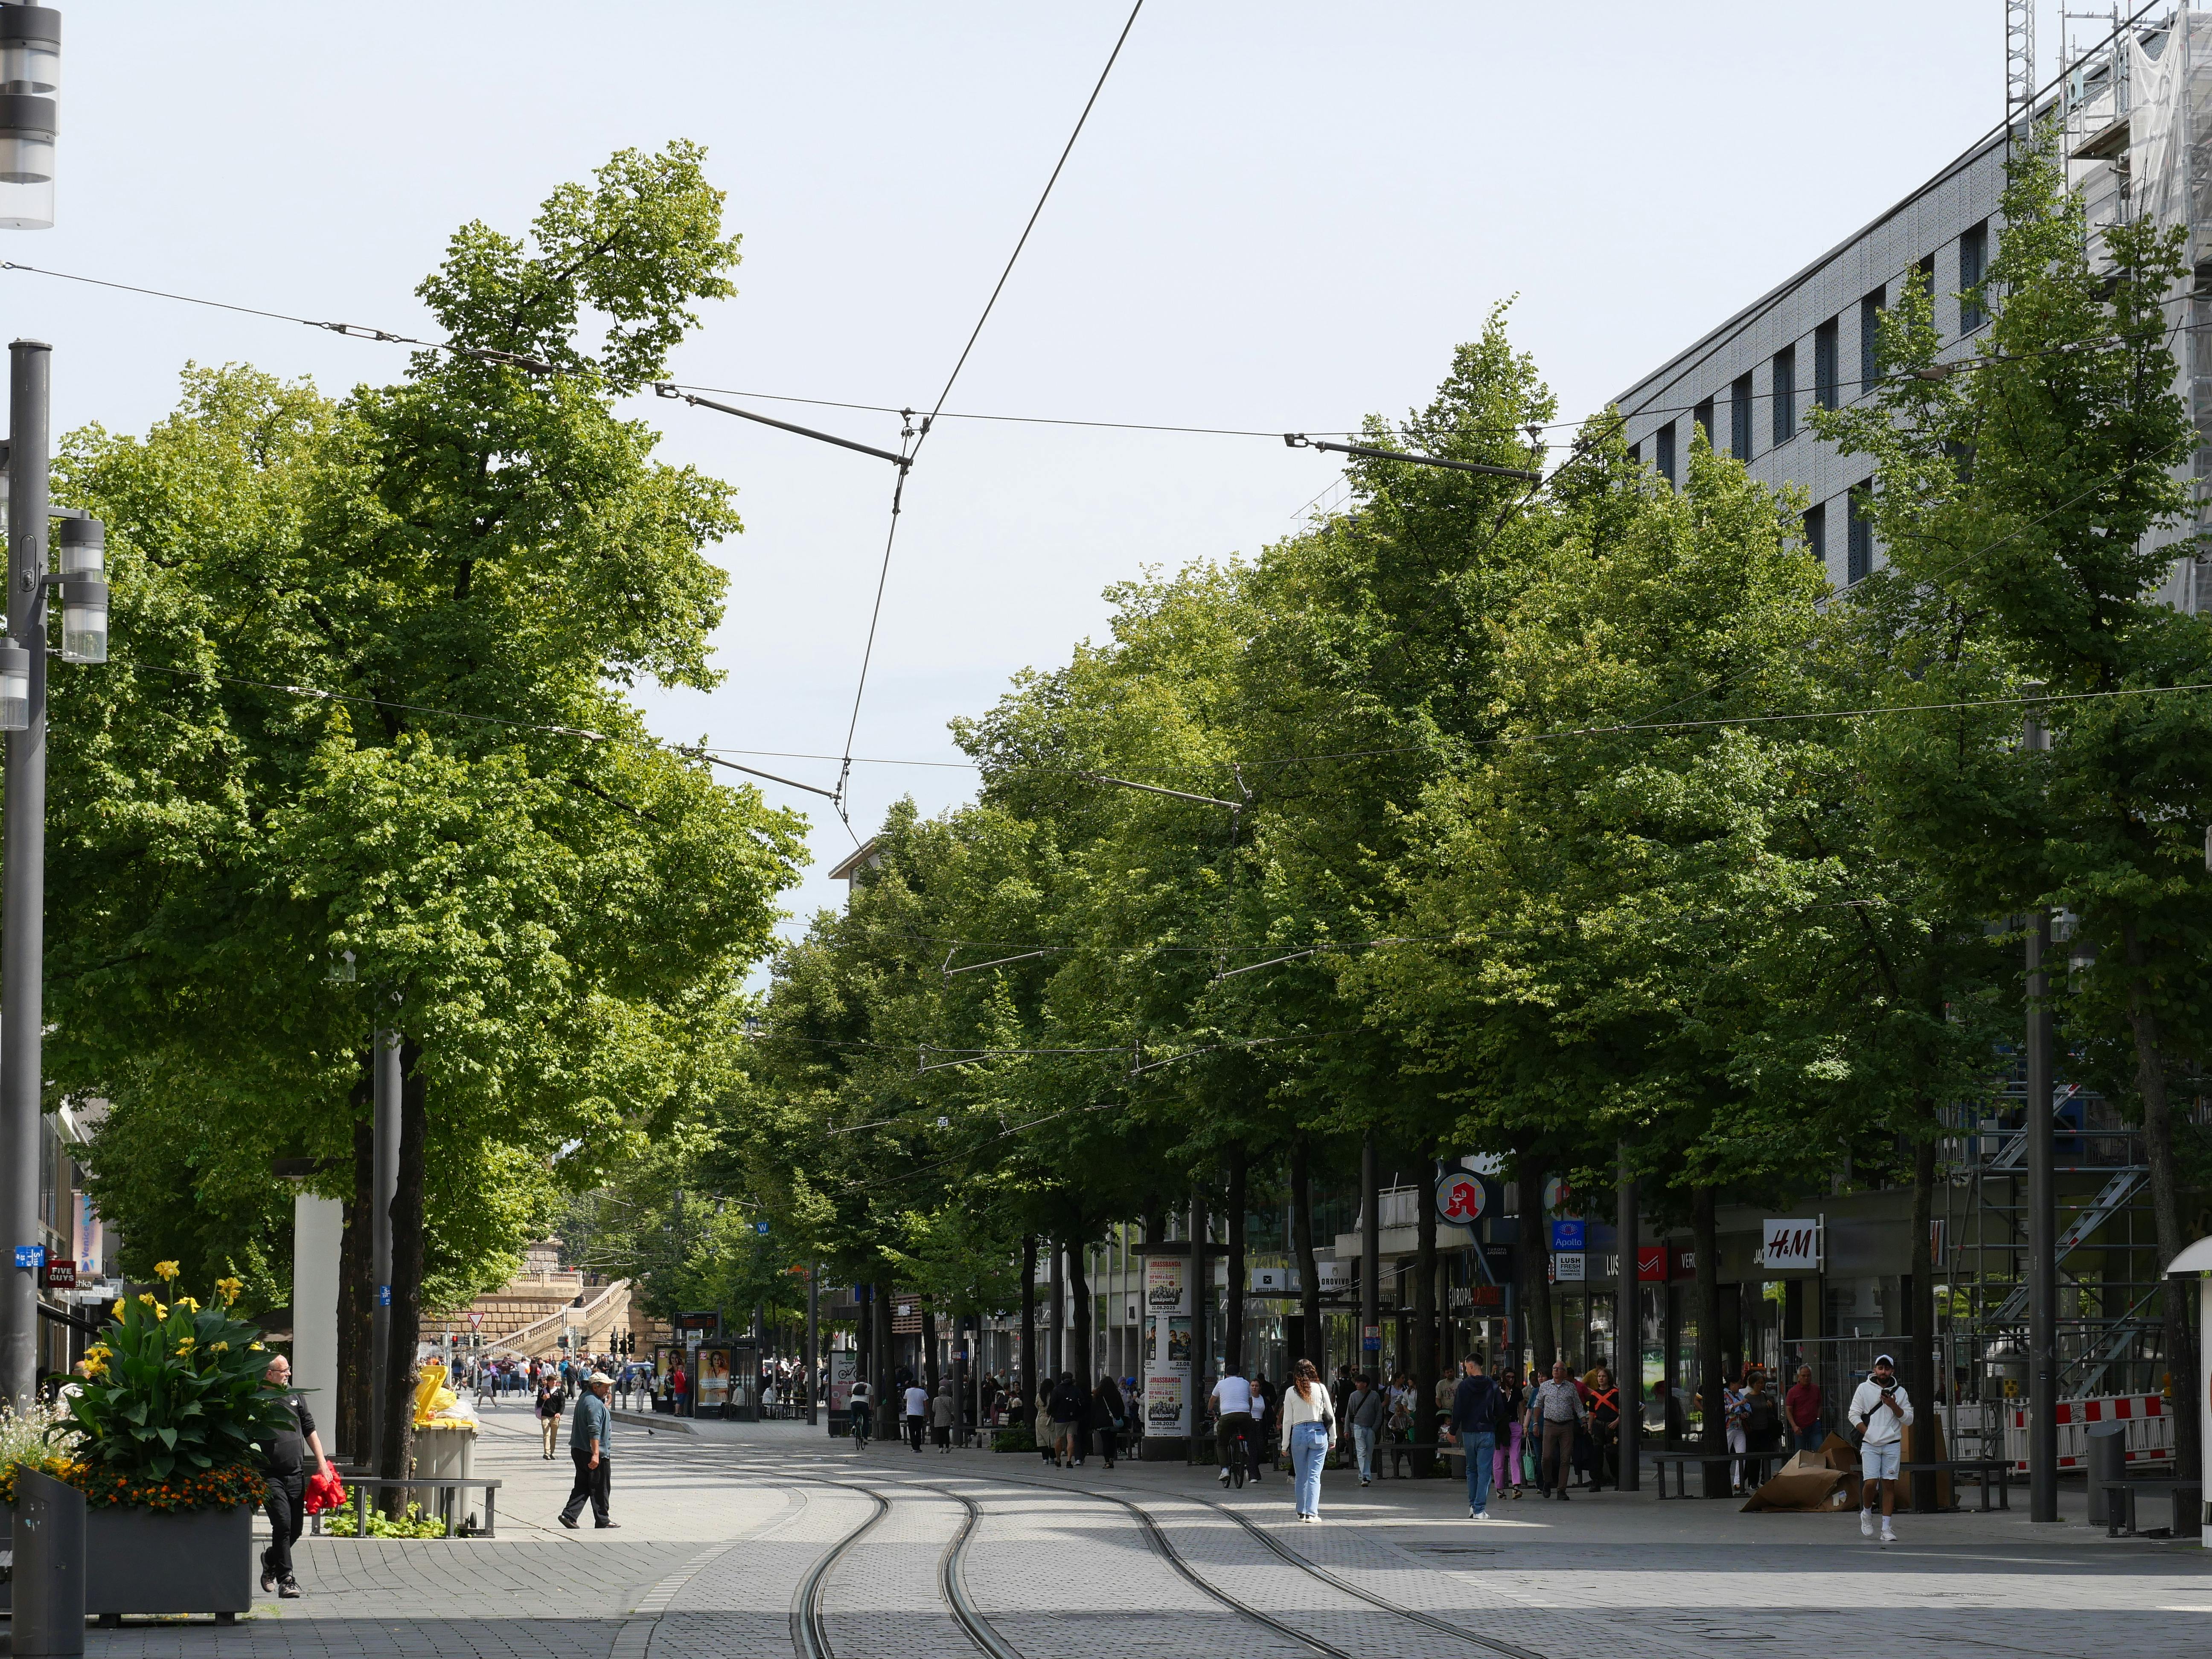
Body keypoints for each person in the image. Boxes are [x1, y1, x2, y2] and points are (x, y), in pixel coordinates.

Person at [256, 1353, 328, 1600]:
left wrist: (322, 1465)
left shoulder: (297, 1396)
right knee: (283, 1524)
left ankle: (270, 1559)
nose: (289, 1374)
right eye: (284, 1370)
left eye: (289, 1370)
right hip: (269, 1475)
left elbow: (310, 1430)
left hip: (296, 1473)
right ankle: (287, 1580)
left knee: (296, 1529)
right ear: (269, 1375)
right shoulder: (257, 1399)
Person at [1847, 1353, 1913, 1544]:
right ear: (1874, 1369)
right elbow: (1854, 1414)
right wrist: (1866, 1432)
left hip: (1892, 1443)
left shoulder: (1900, 1392)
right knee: (1870, 1483)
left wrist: (1894, 1406)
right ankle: (1866, 1512)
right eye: (1880, 1368)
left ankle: (1886, 1528)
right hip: (1870, 1443)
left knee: (1889, 1484)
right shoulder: (1864, 1389)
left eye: (1887, 1369)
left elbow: (1908, 1418)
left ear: (1892, 1370)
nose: (1883, 1372)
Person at [558, 1370, 617, 1530]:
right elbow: (594, 1430)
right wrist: (596, 1454)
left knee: (583, 1485)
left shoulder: (586, 1398)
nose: (608, 1390)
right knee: (601, 1487)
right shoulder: (594, 1404)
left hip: (579, 1450)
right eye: (605, 1387)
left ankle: (569, 1515)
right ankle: (603, 1520)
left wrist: (606, 1403)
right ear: (595, 1386)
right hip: (592, 1452)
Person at [1281, 1357, 1338, 1521]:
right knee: (1314, 1475)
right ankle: (1312, 1513)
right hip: (1318, 1432)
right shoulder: (1321, 1389)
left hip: (1298, 1433)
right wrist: (1333, 1437)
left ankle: (1301, 1511)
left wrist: (1285, 1445)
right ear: (1313, 1371)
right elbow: (1331, 1414)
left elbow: (1287, 1420)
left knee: (1300, 1475)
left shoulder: (1291, 1391)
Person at [1446, 1355, 1499, 1520]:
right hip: (1487, 1431)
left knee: (1472, 1470)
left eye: (1465, 1366)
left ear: (1470, 1366)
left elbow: (1458, 1410)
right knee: (1484, 1471)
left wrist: (1453, 1431)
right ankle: (1479, 1509)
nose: (1465, 1369)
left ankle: (1472, 1506)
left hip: (1469, 1432)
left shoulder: (1464, 1386)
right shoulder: (1492, 1385)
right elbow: (1499, 1410)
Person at [1529, 1360, 1586, 1501]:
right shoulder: (1546, 1386)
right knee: (1546, 1457)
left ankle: (1562, 1490)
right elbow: (1538, 1405)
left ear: (1565, 1373)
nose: (1556, 1371)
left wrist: (1584, 1421)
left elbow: (1578, 1406)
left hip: (1567, 1426)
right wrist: (1535, 1423)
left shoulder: (1571, 1388)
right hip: (1550, 1425)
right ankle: (1547, 1482)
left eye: (1560, 1369)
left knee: (1565, 1459)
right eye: (1554, 1368)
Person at [1212, 1362, 1258, 1486]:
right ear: (1239, 1374)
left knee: (1222, 1444)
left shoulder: (1221, 1384)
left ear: (1226, 1374)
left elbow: (1213, 1399)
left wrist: (1210, 1410)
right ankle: (1245, 1445)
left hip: (1227, 1416)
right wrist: (1248, 1412)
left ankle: (1225, 1470)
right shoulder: (1245, 1383)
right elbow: (1250, 1401)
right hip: (1244, 1415)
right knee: (1248, 1433)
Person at [1491, 1368, 1526, 1499]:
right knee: (1498, 1459)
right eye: (1508, 1377)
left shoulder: (1517, 1392)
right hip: (1500, 1427)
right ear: (1503, 1377)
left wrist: (1522, 1425)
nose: (1511, 1380)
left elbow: (1521, 1409)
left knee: (1515, 1456)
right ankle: (1500, 1489)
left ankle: (1516, 1486)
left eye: (1513, 1377)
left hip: (1513, 1425)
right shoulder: (1496, 1391)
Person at [1347, 1373, 1386, 1487]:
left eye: (1358, 1382)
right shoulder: (1353, 1396)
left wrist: (1374, 1429)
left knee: (1368, 1454)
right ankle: (1366, 1477)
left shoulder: (1375, 1396)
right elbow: (1349, 1413)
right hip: (1358, 1427)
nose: (1356, 1384)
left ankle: (1363, 1475)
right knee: (1361, 1452)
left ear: (1365, 1384)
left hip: (1370, 1429)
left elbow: (1379, 1414)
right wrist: (1347, 1429)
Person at [1587, 1366, 1620, 1493]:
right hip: (1599, 1426)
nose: (1601, 1379)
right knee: (1597, 1455)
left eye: (1604, 1376)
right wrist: (1590, 1429)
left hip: (1612, 1426)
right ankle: (1596, 1482)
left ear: (1608, 1378)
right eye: (1599, 1377)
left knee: (1612, 1454)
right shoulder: (1594, 1395)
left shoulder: (1615, 1393)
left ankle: (1618, 1479)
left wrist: (1617, 1422)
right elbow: (1592, 1413)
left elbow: (1621, 1411)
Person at [1785, 1365, 1824, 1453]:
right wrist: (1794, 1426)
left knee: (1819, 1450)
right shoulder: (1793, 1392)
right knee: (1801, 1453)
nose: (1806, 1378)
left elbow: (1820, 1405)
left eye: (1809, 1375)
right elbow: (1788, 1410)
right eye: (1803, 1376)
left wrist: (1818, 1419)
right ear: (1799, 1377)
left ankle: (1818, 1466)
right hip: (1800, 1428)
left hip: (1814, 1425)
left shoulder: (1816, 1389)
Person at [1048, 1371, 1082, 1467]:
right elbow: (1082, 1402)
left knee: (1059, 1438)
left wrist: (1051, 1413)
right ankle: (1069, 1460)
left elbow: (1052, 1403)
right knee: (1070, 1437)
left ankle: (1058, 1460)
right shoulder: (1076, 1390)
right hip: (1073, 1417)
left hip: (1060, 1418)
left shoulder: (1057, 1389)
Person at [1093, 1374, 1126, 1469]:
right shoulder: (1116, 1394)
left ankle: (1107, 1461)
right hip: (1114, 1422)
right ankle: (1111, 1458)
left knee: (1105, 1442)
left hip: (1102, 1422)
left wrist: (1095, 1421)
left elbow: (1094, 1409)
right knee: (1112, 1441)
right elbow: (1122, 1408)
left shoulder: (1099, 1395)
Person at [536, 1374, 565, 1459]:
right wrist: (543, 1399)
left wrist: (560, 1413)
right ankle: (547, 1452)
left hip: (555, 1417)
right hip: (545, 1416)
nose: (554, 1382)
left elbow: (562, 1405)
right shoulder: (544, 1391)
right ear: (548, 1382)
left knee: (553, 1436)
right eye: (552, 1381)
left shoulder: (559, 1392)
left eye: (555, 1380)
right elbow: (538, 1404)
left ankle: (552, 1452)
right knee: (546, 1434)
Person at [904, 1378, 929, 1452]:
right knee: (918, 1431)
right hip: (920, 1414)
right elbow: (926, 1404)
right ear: (918, 1385)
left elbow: (905, 1399)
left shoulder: (908, 1391)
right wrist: (927, 1413)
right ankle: (918, 1446)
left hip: (911, 1414)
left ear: (911, 1385)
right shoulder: (922, 1392)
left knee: (912, 1431)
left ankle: (914, 1446)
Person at [848, 1375, 874, 1446]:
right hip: (864, 1403)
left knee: (854, 1415)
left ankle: (854, 1426)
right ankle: (865, 1438)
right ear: (866, 1380)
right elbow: (872, 1398)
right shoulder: (869, 1386)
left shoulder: (855, 1385)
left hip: (854, 1402)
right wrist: (871, 1408)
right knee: (866, 1420)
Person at [931, 1382, 956, 1452]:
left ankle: (941, 1447)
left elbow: (933, 1410)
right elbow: (952, 1409)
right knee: (946, 1433)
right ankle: (947, 1447)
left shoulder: (936, 1400)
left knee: (940, 1434)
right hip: (947, 1418)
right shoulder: (950, 1399)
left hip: (939, 1418)